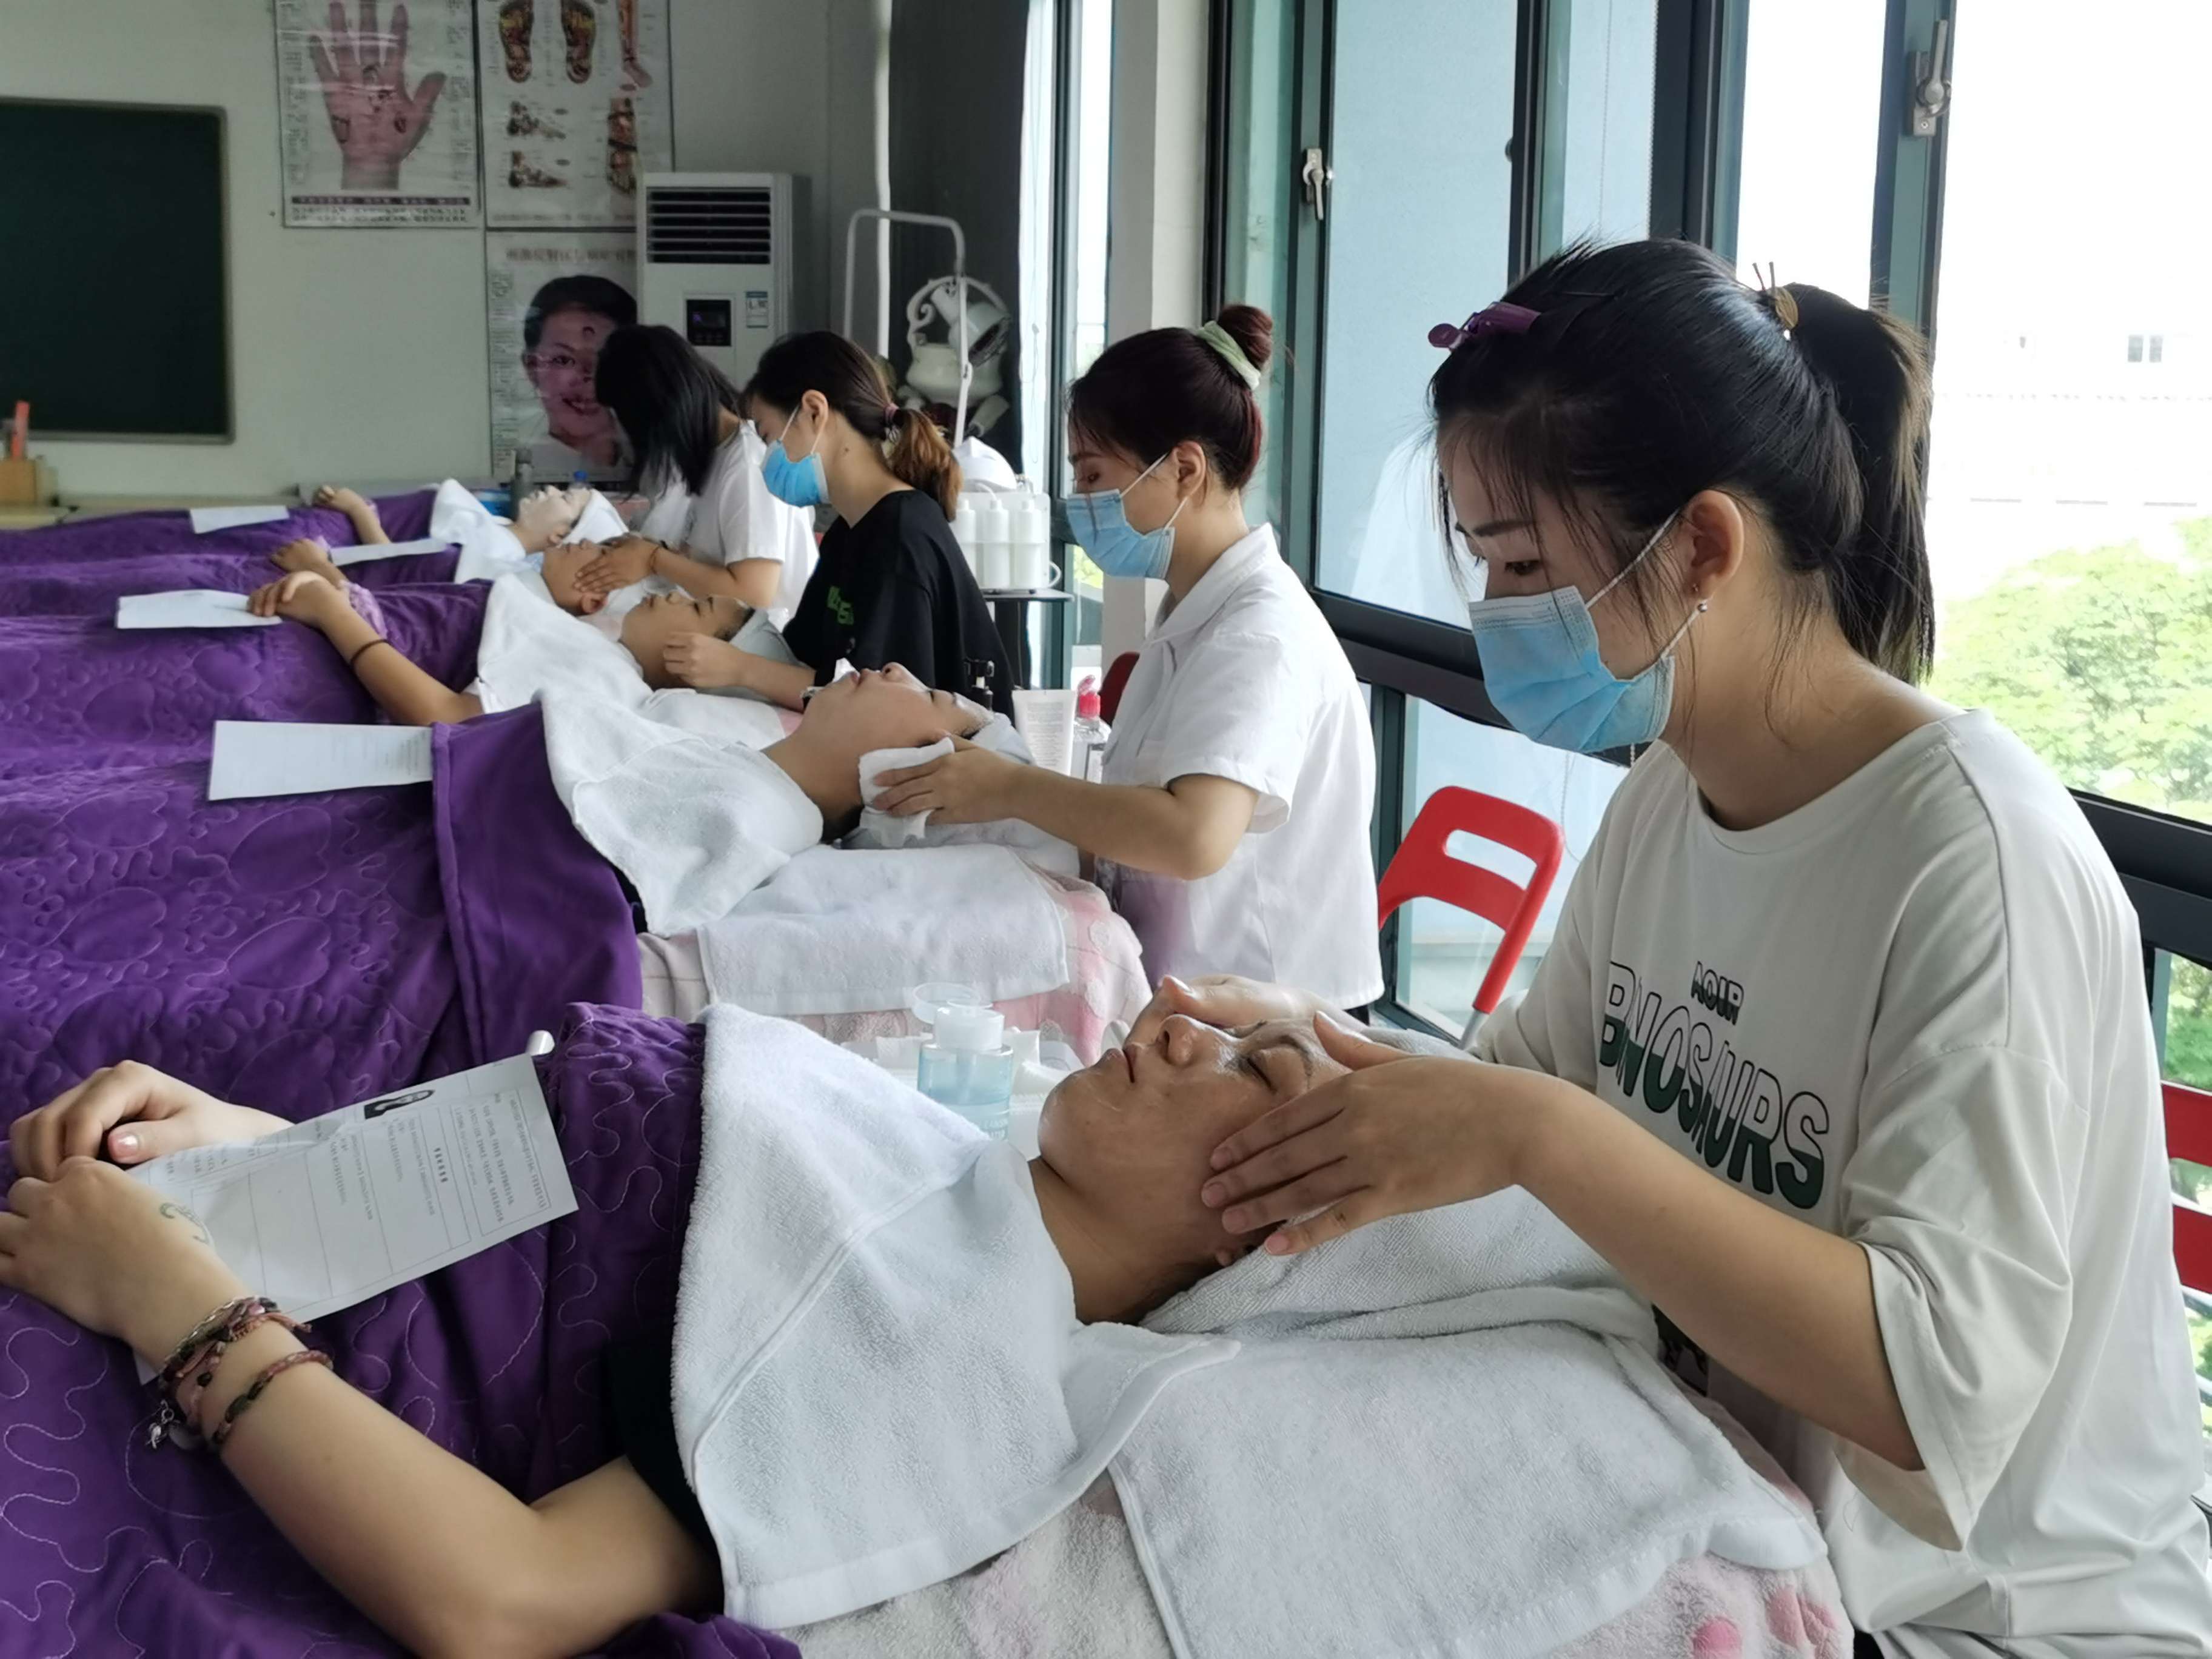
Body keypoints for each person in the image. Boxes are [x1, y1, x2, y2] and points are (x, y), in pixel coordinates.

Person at [1131, 242, 2212, 1655]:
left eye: (1524, 563)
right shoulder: (1667, 797)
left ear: (1704, 547)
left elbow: (1925, 1389)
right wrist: (1322, 1050)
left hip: (1984, 1618)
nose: (1494, 613)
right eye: (1486, 564)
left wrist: (1533, 1134)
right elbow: (1525, 1091)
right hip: (1748, 1524)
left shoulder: (1974, 862)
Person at [0, 1014, 1339, 1658]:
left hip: (196, 1406)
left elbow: (501, 1596)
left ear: (1258, 1242)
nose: (1182, 1020)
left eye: (1253, 1068)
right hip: (230, 1249)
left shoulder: (938, 1370)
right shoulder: (915, 1148)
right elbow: (530, 1195)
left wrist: (176, 1303)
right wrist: (252, 1153)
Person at [873, 307, 1384, 1013]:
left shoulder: (1260, 636)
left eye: (1093, 475)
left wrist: (1009, 788)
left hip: (1269, 1015)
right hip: (1185, 987)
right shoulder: (1193, 610)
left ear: (1184, 469)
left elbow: (1192, 836)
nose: (1082, 503)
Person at [655, 330, 1016, 714]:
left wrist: (740, 668)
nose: (765, 460)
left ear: (814, 411)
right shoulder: (849, 532)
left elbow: (876, 704)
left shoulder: (900, 536)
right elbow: (806, 660)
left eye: (768, 437)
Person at [572, 324, 817, 620]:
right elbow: (708, 559)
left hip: (771, 635)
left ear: (659, 412)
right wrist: (649, 550)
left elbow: (754, 593)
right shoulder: (708, 456)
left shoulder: (747, 464)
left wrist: (654, 559)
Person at [518, 275, 636, 473]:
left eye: (604, 358)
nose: (588, 376)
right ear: (532, 367)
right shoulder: (527, 470)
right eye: (563, 360)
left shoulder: (653, 458)